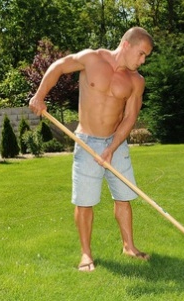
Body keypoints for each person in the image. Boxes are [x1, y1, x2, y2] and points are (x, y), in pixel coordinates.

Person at [29, 27, 154, 272]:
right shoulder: (91, 58)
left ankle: (129, 246)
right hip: (87, 141)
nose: (143, 61)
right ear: (127, 45)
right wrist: (39, 95)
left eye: (145, 57)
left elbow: (130, 118)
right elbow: (59, 67)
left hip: (116, 143)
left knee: (124, 197)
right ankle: (86, 255)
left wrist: (112, 147)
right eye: (141, 54)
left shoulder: (136, 81)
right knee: (85, 202)